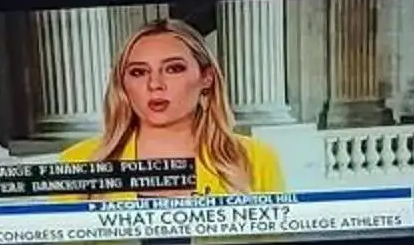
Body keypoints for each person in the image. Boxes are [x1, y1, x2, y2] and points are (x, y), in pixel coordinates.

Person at [61, 19, 285, 195]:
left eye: (173, 69)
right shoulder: (79, 162)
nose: (155, 84)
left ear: (206, 78)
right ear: (123, 84)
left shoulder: (256, 159)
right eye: (139, 72)